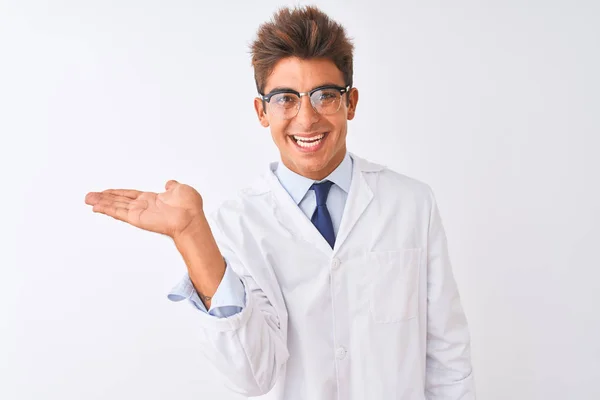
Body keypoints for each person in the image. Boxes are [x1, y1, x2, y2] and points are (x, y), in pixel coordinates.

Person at [84, 5, 475, 400]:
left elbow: (447, 358)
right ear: (262, 111)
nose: (306, 119)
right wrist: (191, 236)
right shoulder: (238, 223)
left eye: (325, 96)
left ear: (350, 103)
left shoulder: (411, 204)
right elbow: (250, 377)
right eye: (285, 98)